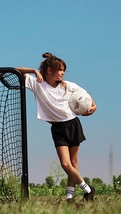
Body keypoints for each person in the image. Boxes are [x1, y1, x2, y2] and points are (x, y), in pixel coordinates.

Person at [18, 52, 97, 201]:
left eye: (63, 70)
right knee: (66, 164)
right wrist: (33, 71)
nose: (62, 73)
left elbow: (85, 94)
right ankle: (88, 189)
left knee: (73, 164)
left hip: (73, 124)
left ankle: (69, 197)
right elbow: (16, 71)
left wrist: (94, 105)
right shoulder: (37, 84)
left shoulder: (68, 86)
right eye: (60, 70)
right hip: (58, 129)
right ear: (49, 70)